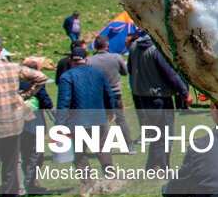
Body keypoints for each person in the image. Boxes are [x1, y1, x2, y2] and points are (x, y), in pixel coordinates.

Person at [0, 34, 49, 197]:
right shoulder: (11, 68)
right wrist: (24, 94)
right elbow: (41, 77)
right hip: (12, 125)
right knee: (10, 170)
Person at [129, 34, 190, 171]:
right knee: (165, 135)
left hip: (142, 96)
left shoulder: (133, 47)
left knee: (155, 133)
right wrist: (184, 92)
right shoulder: (156, 49)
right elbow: (171, 74)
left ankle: (151, 166)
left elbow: (130, 70)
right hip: (160, 97)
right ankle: (161, 168)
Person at [56, 48, 116, 178]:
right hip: (99, 117)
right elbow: (108, 94)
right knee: (102, 147)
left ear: (71, 61)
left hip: (77, 120)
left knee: (80, 152)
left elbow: (64, 103)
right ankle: (111, 176)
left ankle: (88, 183)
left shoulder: (67, 77)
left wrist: (60, 125)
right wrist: (111, 111)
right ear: (86, 60)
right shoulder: (99, 73)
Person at [86, 35, 134, 146]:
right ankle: (129, 145)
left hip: (98, 95)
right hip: (115, 93)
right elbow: (125, 72)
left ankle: (104, 146)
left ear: (95, 46)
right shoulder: (116, 57)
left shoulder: (90, 61)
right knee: (120, 119)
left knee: (101, 121)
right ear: (107, 45)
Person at [19, 74, 54, 195]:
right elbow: (45, 101)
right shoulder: (34, 83)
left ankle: (26, 183)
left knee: (24, 154)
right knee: (37, 154)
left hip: (18, 124)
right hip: (35, 122)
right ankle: (30, 183)